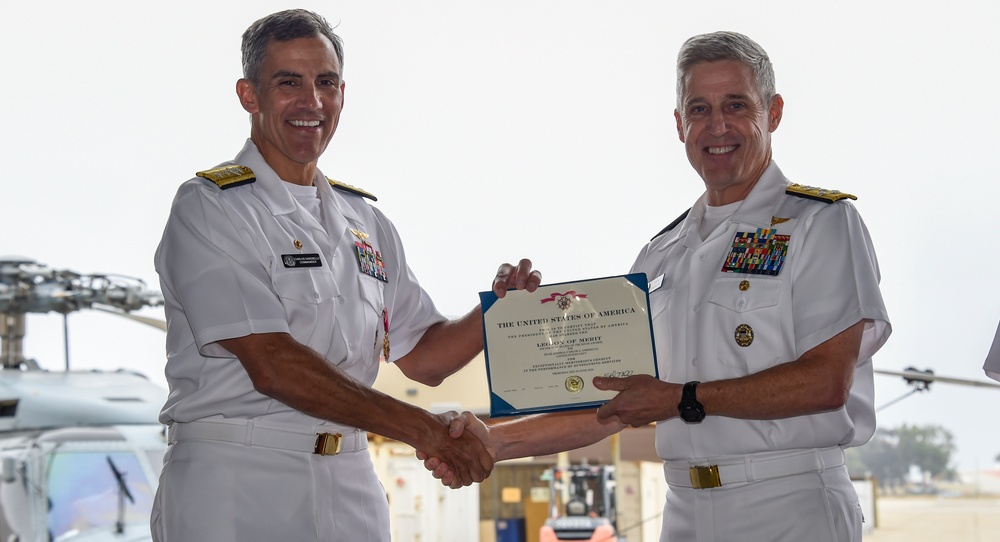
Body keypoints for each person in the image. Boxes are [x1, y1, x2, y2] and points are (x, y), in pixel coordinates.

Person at [426, 31, 891, 542]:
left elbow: (825, 382)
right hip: (684, 511)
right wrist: (490, 440)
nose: (716, 126)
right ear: (678, 124)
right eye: (698, 109)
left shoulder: (820, 223)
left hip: (787, 502)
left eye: (736, 105)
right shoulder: (661, 253)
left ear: (773, 112)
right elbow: (615, 406)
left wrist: (680, 398)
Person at [150, 9, 540, 542]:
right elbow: (274, 365)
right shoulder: (211, 208)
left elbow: (423, 356)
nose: (311, 102)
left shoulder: (365, 220)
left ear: (341, 94)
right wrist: (426, 431)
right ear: (249, 95)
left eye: (325, 83)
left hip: (350, 480)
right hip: (238, 479)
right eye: (289, 83)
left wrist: (498, 312)